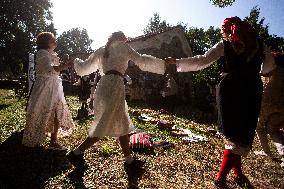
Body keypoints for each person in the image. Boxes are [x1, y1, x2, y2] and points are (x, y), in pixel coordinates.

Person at [165, 16, 275, 188]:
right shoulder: (260, 44)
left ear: (228, 30)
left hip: (231, 89)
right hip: (252, 89)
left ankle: (221, 177)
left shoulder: (225, 44)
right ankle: (237, 173)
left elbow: (202, 61)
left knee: (233, 135)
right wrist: (253, 71)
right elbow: (269, 66)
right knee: (240, 135)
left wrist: (177, 62)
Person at [66, 31, 166, 171]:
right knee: (105, 122)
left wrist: (75, 62)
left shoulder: (102, 50)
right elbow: (141, 60)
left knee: (122, 121)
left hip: (104, 84)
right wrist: (162, 63)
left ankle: (129, 161)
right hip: (114, 85)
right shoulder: (123, 47)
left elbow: (84, 68)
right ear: (122, 39)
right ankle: (77, 152)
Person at [22, 32, 74, 149]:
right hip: (44, 86)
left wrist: (64, 65)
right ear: (46, 42)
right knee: (40, 110)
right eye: (52, 39)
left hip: (54, 86)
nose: (55, 41)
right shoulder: (42, 53)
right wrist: (66, 65)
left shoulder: (53, 54)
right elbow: (49, 69)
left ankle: (53, 141)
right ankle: (35, 138)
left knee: (56, 112)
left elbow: (56, 71)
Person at [256, 52, 284, 160]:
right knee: (273, 129)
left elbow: (261, 73)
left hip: (269, 102)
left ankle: (266, 152)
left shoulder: (273, 69)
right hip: (282, 105)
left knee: (259, 126)